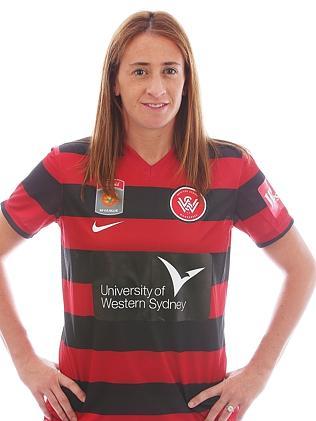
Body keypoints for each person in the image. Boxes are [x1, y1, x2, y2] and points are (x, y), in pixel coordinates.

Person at [0, 10, 315, 421]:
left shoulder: (231, 168)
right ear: (115, 81)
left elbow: (302, 269)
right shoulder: (68, 167)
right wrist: (24, 361)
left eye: (170, 70)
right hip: (87, 413)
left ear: (187, 80)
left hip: (195, 414)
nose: (156, 87)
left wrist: (259, 373)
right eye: (139, 71)